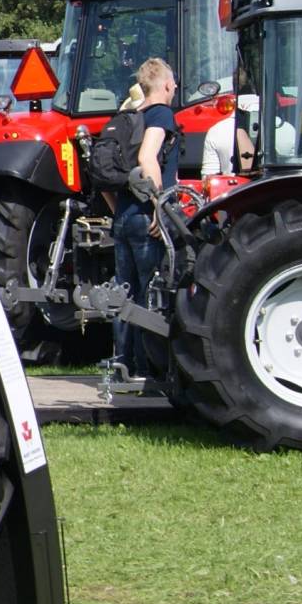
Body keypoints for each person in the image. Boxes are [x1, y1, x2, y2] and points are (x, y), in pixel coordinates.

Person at [112, 58, 178, 379]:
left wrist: (118, 212)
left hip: (123, 215)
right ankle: (144, 370)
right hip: (144, 216)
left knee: (123, 292)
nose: (175, 88)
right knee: (148, 292)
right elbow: (146, 157)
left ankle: (121, 364)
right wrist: (157, 207)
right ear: (165, 85)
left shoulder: (128, 117)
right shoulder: (161, 114)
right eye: (174, 84)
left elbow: (109, 175)